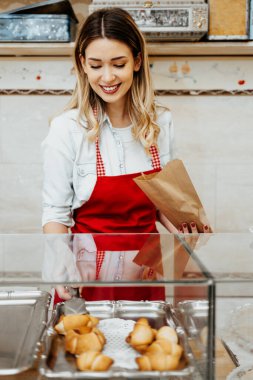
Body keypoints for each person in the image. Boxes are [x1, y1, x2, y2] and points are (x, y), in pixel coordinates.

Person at [42, 7, 208, 302]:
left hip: (145, 275)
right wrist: (60, 265)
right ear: (82, 64)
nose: (107, 77)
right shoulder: (66, 129)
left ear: (137, 61)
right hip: (87, 275)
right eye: (96, 65)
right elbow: (55, 214)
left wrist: (185, 228)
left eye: (118, 64)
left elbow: (162, 205)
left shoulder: (160, 122)